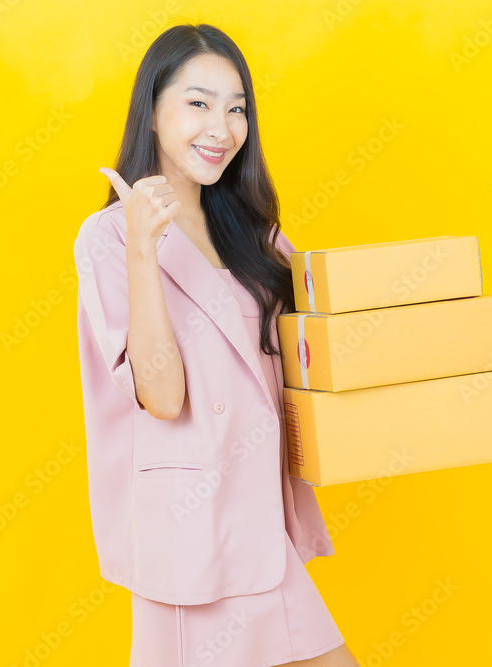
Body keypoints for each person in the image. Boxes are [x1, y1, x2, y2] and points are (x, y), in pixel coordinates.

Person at [73, 23, 362, 667]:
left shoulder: (256, 236)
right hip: (191, 528)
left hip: (259, 519)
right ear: (152, 111)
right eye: (199, 103)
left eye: (237, 109)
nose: (223, 127)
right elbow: (163, 395)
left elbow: (308, 351)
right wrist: (144, 250)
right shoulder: (108, 238)